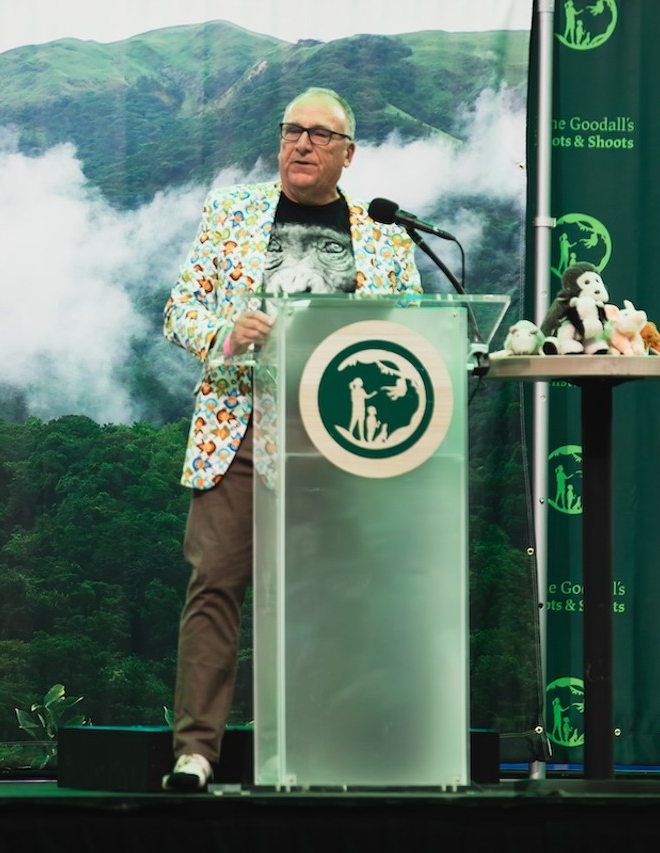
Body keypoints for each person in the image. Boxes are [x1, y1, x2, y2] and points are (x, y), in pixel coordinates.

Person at [160, 87, 421, 791]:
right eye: (291, 131)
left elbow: (411, 332)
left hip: (339, 436)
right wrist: (224, 332)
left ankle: (325, 745)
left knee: (331, 594)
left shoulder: (385, 232)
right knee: (215, 582)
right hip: (239, 427)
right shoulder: (231, 213)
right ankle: (195, 752)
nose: (301, 144)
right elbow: (180, 307)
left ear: (347, 153)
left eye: (318, 135)